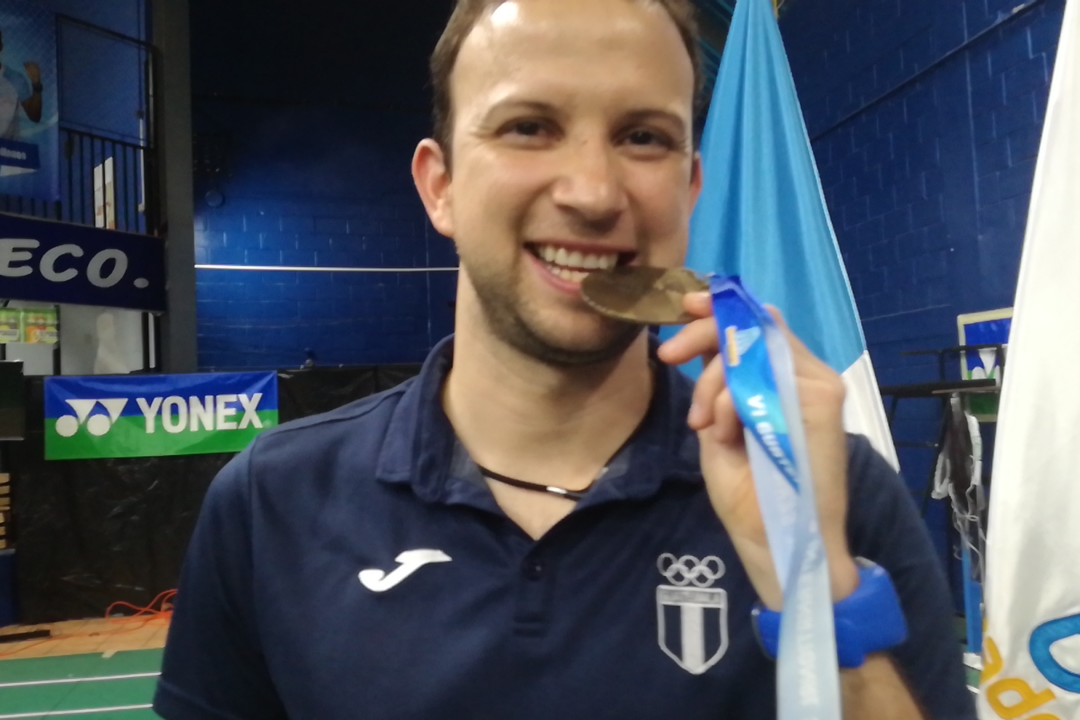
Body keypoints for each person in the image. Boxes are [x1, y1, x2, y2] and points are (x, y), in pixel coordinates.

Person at [154, 1, 975, 719]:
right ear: (440, 187)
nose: (592, 191)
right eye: (529, 127)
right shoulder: (273, 502)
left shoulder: (832, 485)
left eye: (643, 137)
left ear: (689, 192)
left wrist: (806, 574)